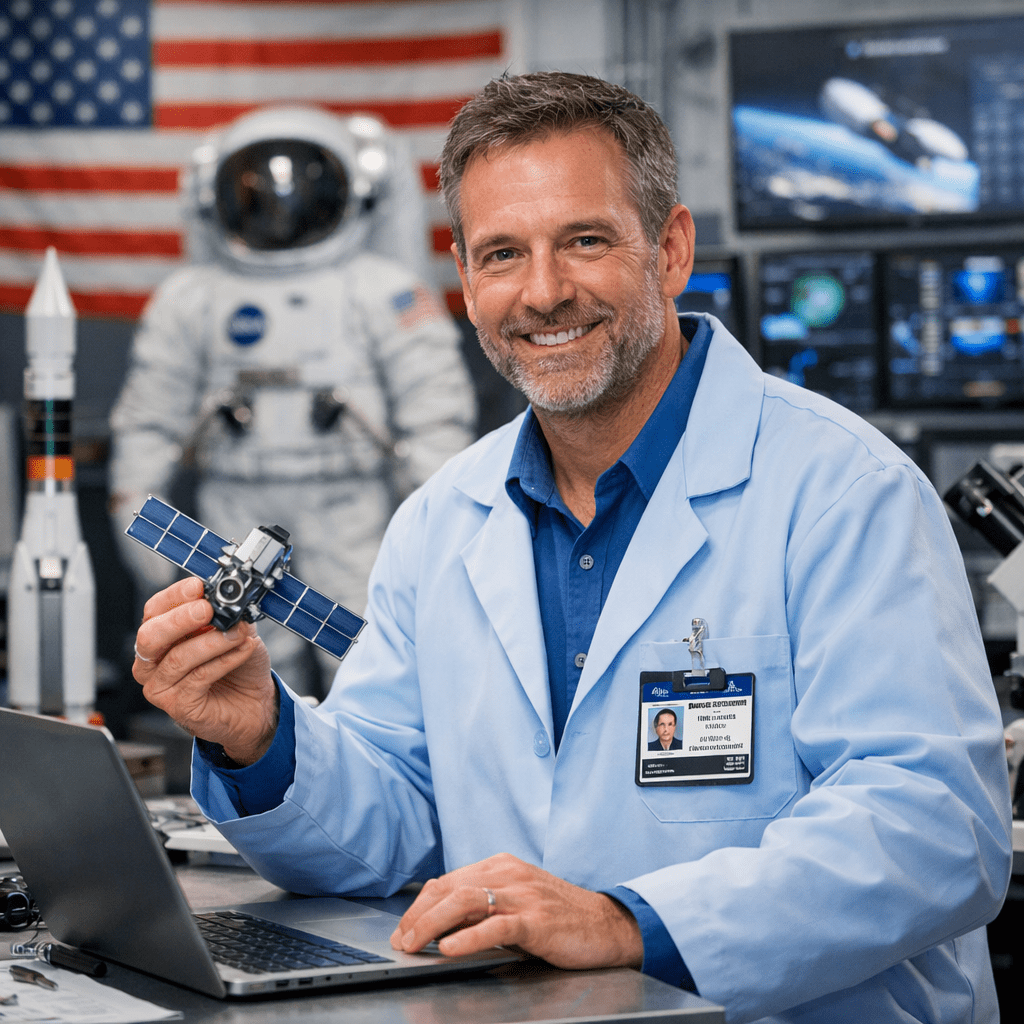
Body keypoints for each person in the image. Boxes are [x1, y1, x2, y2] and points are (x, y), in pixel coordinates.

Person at [132, 72, 1012, 1023]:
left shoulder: (844, 491)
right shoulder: (442, 521)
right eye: (502, 253)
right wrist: (259, 734)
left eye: (584, 241)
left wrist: (629, 924)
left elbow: (934, 830)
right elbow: (392, 817)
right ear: (466, 279)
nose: (543, 293)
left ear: (670, 250)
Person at [110, 105, 475, 696]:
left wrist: (438, 517)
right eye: (259, 188)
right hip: (234, 503)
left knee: (366, 656)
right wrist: (133, 509)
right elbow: (150, 417)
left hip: (349, 503)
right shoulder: (193, 297)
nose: (281, 208)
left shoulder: (382, 290)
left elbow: (436, 411)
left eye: (300, 184)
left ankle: (376, 778)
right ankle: (265, 780)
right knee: (243, 661)